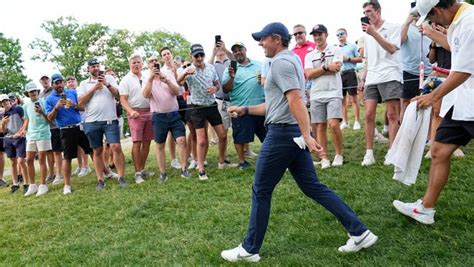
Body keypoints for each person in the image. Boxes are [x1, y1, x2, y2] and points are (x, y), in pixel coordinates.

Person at [221, 22, 377, 262]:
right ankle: (359, 232)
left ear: (276, 39)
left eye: (263, 39)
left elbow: (295, 100)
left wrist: (307, 134)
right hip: (290, 133)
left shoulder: (281, 63)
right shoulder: (291, 59)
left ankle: (249, 249)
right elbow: (276, 104)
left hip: (282, 136)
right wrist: (245, 109)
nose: (260, 44)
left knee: (261, 190)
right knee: (313, 187)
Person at [393, 0, 474, 225]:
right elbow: (453, 45)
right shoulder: (459, 22)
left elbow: (463, 71)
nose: (433, 22)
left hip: (468, 98)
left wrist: (433, 96)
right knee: (438, 151)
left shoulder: (470, 22)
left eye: (431, 19)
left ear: (437, 10)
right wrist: (431, 34)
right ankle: (426, 209)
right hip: (462, 102)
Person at [360, 0, 403, 166]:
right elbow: (368, 59)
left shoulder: (393, 27)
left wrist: (374, 34)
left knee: (392, 114)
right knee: (369, 114)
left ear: (378, 11)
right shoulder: (367, 34)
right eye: (365, 13)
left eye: (369, 11)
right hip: (372, 77)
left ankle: (392, 152)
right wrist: (363, 78)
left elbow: (392, 49)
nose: (367, 15)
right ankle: (369, 153)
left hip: (390, 75)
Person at [177, 44, 229, 180]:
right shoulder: (189, 70)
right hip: (197, 108)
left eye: (201, 55)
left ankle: (222, 162)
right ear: (191, 56)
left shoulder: (211, 68)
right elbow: (179, 82)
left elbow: (217, 84)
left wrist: (214, 88)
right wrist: (185, 74)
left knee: (223, 135)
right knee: (201, 141)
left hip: (211, 105)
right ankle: (201, 168)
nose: (199, 58)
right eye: (196, 56)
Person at [78, 58, 128, 191]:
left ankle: (121, 177)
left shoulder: (109, 79)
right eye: (92, 66)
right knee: (97, 150)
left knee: (116, 147)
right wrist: (94, 88)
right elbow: (80, 103)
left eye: (97, 65)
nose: (95, 68)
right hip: (91, 122)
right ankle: (100, 179)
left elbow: (119, 95)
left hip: (110, 120)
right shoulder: (83, 84)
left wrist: (107, 84)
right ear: (88, 69)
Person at [143, 59, 190, 181]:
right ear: (148, 66)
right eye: (151, 62)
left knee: (181, 140)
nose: (154, 63)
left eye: (155, 61)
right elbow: (145, 95)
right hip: (159, 117)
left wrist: (167, 81)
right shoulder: (147, 79)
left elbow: (177, 92)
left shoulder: (168, 75)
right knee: (160, 145)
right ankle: (163, 173)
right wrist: (151, 79)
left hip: (174, 114)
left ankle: (184, 169)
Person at [304, 24, 344, 169]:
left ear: (326, 35)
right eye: (314, 35)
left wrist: (317, 71)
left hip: (334, 92)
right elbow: (308, 74)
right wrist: (327, 67)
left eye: (320, 34)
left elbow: (337, 68)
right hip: (316, 94)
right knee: (320, 126)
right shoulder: (310, 55)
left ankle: (339, 154)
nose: (317, 37)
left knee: (334, 124)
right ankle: (324, 157)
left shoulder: (336, 49)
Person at [45, 73, 93, 195]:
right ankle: (66, 185)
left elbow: (82, 108)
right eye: (56, 82)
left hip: (79, 126)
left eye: (61, 82)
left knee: (92, 150)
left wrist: (74, 105)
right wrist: (56, 107)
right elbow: (49, 118)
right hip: (65, 130)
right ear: (52, 84)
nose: (59, 84)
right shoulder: (49, 99)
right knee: (67, 158)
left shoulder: (72, 92)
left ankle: (105, 173)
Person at [222, 42, 266, 169]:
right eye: (234, 51)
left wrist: (262, 80)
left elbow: (267, 80)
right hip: (240, 108)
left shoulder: (258, 64)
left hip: (260, 108)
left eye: (240, 49)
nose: (237, 52)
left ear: (245, 50)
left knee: (267, 136)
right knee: (240, 137)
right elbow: (225, 89)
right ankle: (242, 162)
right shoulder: (230, 68)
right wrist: (231, 78)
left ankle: (270, 157)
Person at [119, 54, 154, 183]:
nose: (136, 64)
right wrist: (131, 111)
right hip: (135, 114)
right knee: (137, 143)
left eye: (138, 62)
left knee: (147, 142)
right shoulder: (125, 79)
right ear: (130, 64)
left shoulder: (146, 77)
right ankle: (137, 173)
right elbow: (123, 99)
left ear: (142, 64)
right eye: (133, 62)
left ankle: (142, 169)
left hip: (149, 112)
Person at [400, 12, 432, 121]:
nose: (417, 15)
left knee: (428, 101)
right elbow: (399, 41)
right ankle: (403, 130)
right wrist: (407, 22)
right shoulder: (406, 27)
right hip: (410, 70)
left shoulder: (429, 25)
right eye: (415, 13)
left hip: (429, 71)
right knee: (406, 101)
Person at [22, 82, 52, 196]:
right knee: (29, 160)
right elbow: (27, 120)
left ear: (37, 92)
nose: (33, 93)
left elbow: (50, 120)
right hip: (31, 135)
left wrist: (41, 112)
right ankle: (32, 185)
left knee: (41, 159)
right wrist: (24, 130)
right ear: (27, 94)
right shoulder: (25, 105)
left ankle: (43, 185)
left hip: (43, 134)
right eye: (31, 91)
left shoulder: (44, 102)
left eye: (35, 91)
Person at [1, 94, 28, 194]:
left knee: (21, 161)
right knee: (13, 163)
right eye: (3, 102)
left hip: (19, 138)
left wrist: (21, 131)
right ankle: (15, 184)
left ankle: (26, 183)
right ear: (1, 104)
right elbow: (2, 131)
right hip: (8, 139)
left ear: (9, 100)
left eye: (6, 100)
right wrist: (3, 123)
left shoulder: (18, 108)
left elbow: (25, 120)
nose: (5, 103)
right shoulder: (2, 114)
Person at [336, 28, 363, 130]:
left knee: (354, 99)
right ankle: (345, 122)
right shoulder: (335, 48)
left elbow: (360, 59)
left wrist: (348, 59)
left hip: (350, 73)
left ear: (346, 34)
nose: (340, 36)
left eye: (341, 34)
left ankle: (356, 121)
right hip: (340, 75)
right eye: (337, 35)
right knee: (342, 100)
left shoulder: (352, 46)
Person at [39, 75, 63, 184]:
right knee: (50, 151)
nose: (45, 82)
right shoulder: (40, 95)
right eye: (43, 80)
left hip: (56, 125)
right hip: (46, 127)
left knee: (57, 151)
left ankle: (59, 174)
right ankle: (52, 173)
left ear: (50, 81)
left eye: (46, 80)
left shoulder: (56, 91)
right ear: (40, 82)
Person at [66, 75, 91, 177]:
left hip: (84, 119)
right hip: (74, 122)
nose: (71, 83)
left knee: (83, 145)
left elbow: (83, 106)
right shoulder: (66, 95)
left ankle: (86, 166)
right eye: (68, 81)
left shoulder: (80, 91)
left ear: (76, 82)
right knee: (77, 146)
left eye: (73, 80)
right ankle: (80, 166)